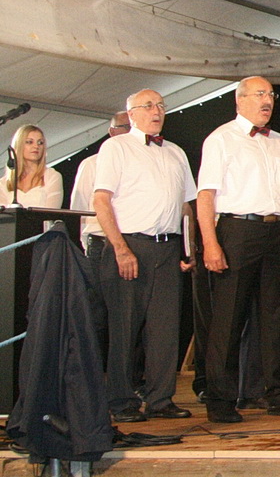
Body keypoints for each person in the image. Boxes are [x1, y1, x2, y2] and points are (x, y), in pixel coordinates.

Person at [196, 77, 280, 423]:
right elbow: (206, 196)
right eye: (260, 94)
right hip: (237, 230)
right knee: (229, 319)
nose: (267, 100)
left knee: (275, 319)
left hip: (275, 231)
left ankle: (277, 394)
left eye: (271, 94)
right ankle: (220, 400)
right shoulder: (221, 139)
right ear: (240, 100)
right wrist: (210, 243)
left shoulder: (279, 142)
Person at [93, 90, 197, 422]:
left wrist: (189, 247)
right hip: (131, 245)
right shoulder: (116, 147)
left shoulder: (176, 153)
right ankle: (121, 401)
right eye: (149, 106)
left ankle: (160, 398)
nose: (157, 111)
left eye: (161, 106)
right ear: (132, 113)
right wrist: (120, 248)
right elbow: (101, 201)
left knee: (165, 328)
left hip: (168, 247)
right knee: (125, 328)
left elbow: (186, 206)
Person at [71, 111, 132, 261]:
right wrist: (86, 244)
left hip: (134, 240)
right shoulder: (91, 164)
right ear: (112, 131)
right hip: (100, 242)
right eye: (126, 126)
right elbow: (78, 209)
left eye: (133, 127)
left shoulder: (142, 164)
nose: (130, 132)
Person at [3, 124, 64, 208]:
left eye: (40, 143)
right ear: (19, 145)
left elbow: (51, 214)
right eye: (29, 142)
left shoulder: (52, 177)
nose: (36, 146)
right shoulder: (3, 184)